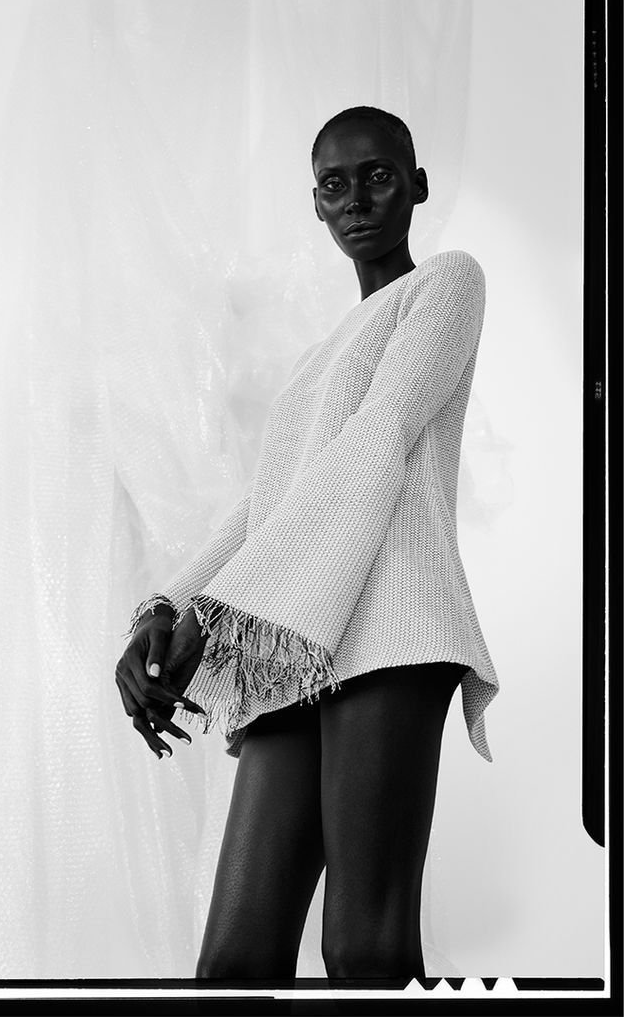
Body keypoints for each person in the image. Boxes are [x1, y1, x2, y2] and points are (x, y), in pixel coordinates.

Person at [115, 106, 499, 985]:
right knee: (234, 965)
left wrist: (217, 617)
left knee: (363, 948)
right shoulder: (313, 361)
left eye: (378, 176)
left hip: (393, 626)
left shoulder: (446, 283)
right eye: (334, 184)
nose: (356, 199)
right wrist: (164, 608)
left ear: (416, 186)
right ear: (316, 205)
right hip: (294, 637)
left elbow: (379, 436)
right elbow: (264, 507)